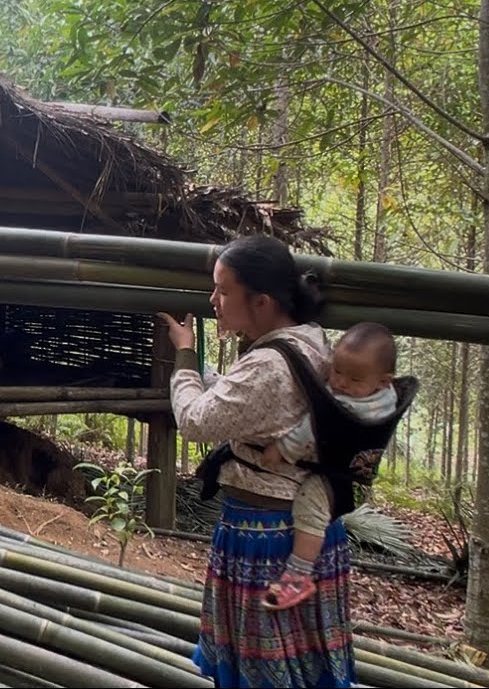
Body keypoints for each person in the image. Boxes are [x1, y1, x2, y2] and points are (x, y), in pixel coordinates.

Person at [157, 234, 353, 689]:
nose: (214, 301)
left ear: (262, 301)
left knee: (264, 674)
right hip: (307, 531)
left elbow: (195, 420)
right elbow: (241, 396)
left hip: (266, 537)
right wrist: (204, 370)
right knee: (303, 668)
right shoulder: (309, 340)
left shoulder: (267, 364)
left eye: (223, 291)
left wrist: (184, 355)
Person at [256, 322, 398, 611]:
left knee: (309, 508)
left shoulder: (352, 407)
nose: (341, 383)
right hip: (353, 474)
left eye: (354, 380)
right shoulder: (386, 395)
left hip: (336, 479)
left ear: (384, 381)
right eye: (337, 371)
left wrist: (279, 450)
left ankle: (298, 575)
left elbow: (310, 429)